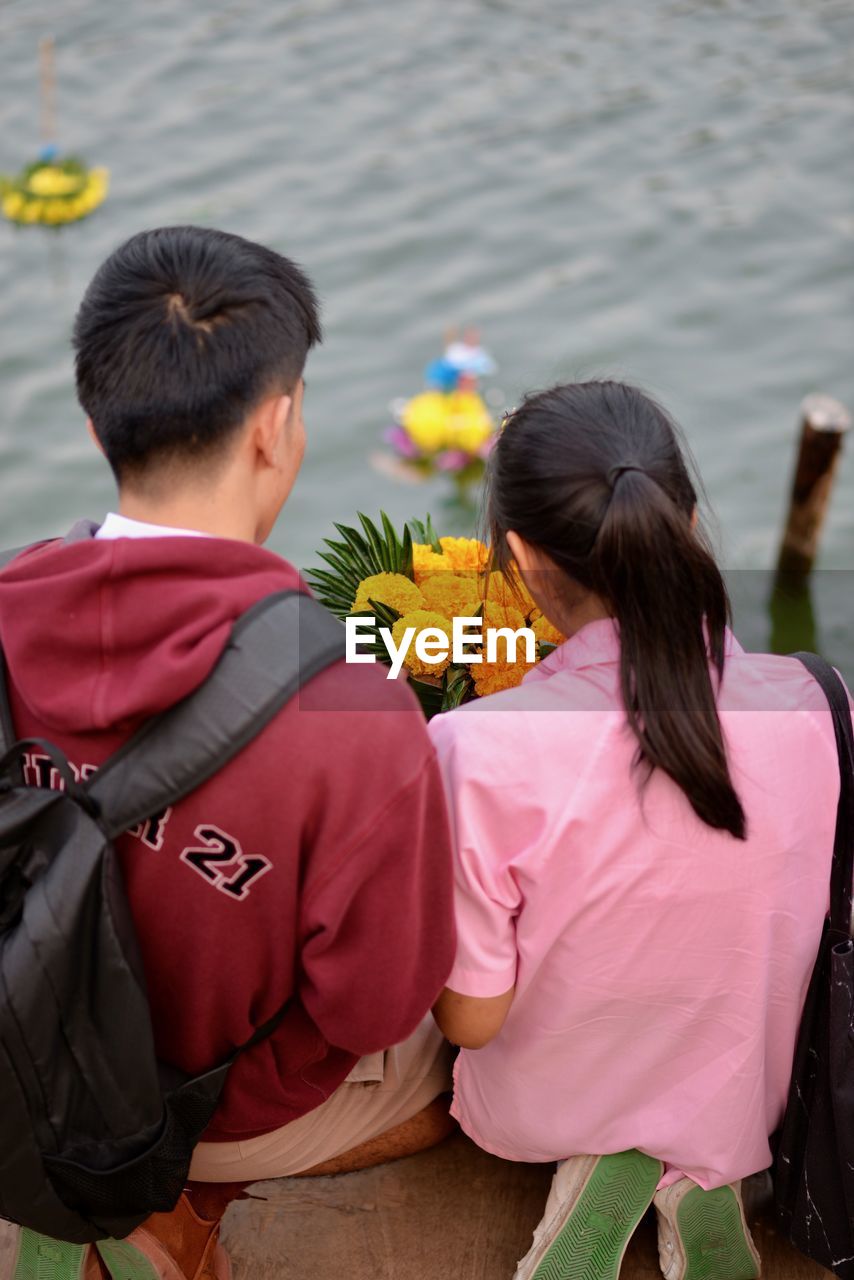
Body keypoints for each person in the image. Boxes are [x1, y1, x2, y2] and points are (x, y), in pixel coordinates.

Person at [0, 226, 456, 1280]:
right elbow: (372, 1007)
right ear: (276, 424)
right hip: (203, 1110)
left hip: (18, 1059)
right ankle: (172, 1202)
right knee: (448, 1073)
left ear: (92, 418)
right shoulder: (353, 713)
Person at [429, 380, 849, 1280]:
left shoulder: (474, 747)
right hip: (749, 1097)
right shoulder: (821, 703)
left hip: (545, 1103)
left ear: (518, 557)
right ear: (687, 524)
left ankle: (617, 1151)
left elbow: (469, 1021)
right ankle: (697, 1166)